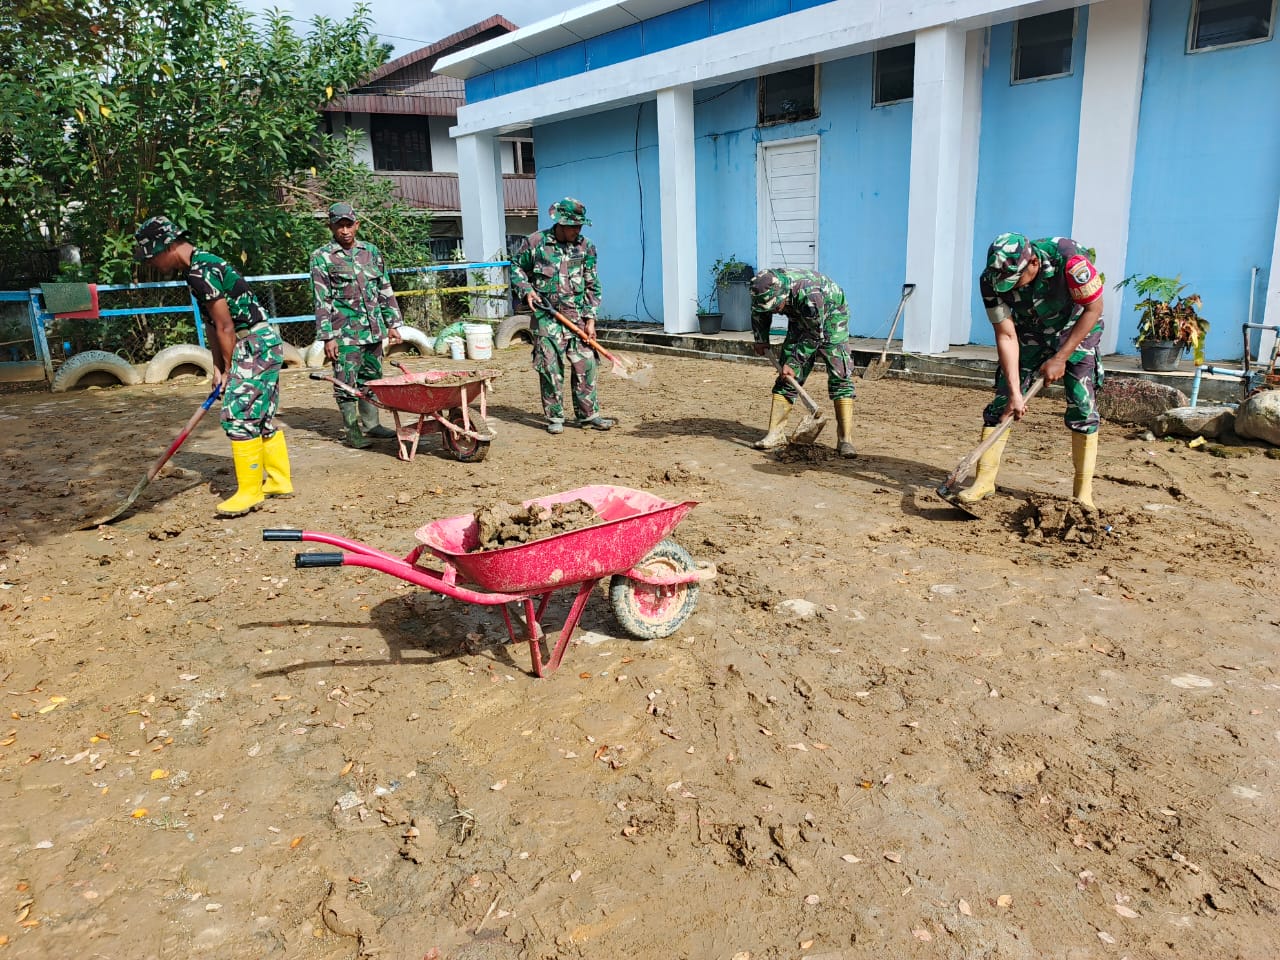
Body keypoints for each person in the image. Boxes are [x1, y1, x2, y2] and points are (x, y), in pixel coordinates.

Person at [133, 215, 292, 516]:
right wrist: (217, 366)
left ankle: (249, 492)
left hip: (251, 344)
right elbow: (212, 325)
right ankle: (279, 481)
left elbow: (225, 325)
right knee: (261, 415)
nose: (152, 264)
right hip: (263, 341)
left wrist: (231, 369)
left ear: (166, 247)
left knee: (237, 415)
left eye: (152, 258)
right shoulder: (198, 266)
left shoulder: (199, 271)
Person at [958, 232, 1104, 508]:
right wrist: (1015, 391)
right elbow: (1006, 335)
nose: (1009, 289)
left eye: (1015, 282)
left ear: (1033, 263)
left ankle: (1083, 494)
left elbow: (1093, 309)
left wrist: (1061, 358)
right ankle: (984, 481)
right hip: (1028, 334)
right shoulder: (991, 280)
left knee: (1082, 406)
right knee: (1002, 403)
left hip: (1077, 330)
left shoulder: (1071, 260)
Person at [510, 197, 614, 434]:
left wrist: (590, 320)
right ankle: (555, 417)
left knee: (586, 364)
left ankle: (589, 415)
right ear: (560, 223)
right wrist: (526, 290)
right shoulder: (536, 243)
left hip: (577, 317)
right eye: (573, 226)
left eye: (580, 226)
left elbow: (592, 284)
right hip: (547, 317)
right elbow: (516, 267)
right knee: (550, 367)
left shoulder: (586, 247)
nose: (577, 230)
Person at [310, 202, 404, 449]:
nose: (344, 230)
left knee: (372, 378)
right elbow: (322, 299)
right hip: (344, 334)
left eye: (348, 224)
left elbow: (384, 288)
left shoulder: (370, 251)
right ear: (330, 227)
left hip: (373, 330)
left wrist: (392, 323)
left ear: (357, 225)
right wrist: (327, 337)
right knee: (345, 383)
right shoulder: (321, 258)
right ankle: (353, 432)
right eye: (339, 225)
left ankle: (372, 425)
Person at [749, 268, 857, 457]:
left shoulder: (810, 295)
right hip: (799, 316)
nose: (774, 311)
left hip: (831, 315)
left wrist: (795, 362)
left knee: (839, 373)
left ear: (783, 294)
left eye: (776, 307)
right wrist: (761, 339)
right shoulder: (761, 290)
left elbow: (815, 335)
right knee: (785, 376)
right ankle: (775, 434)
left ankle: (845, 440)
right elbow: (760, 313)